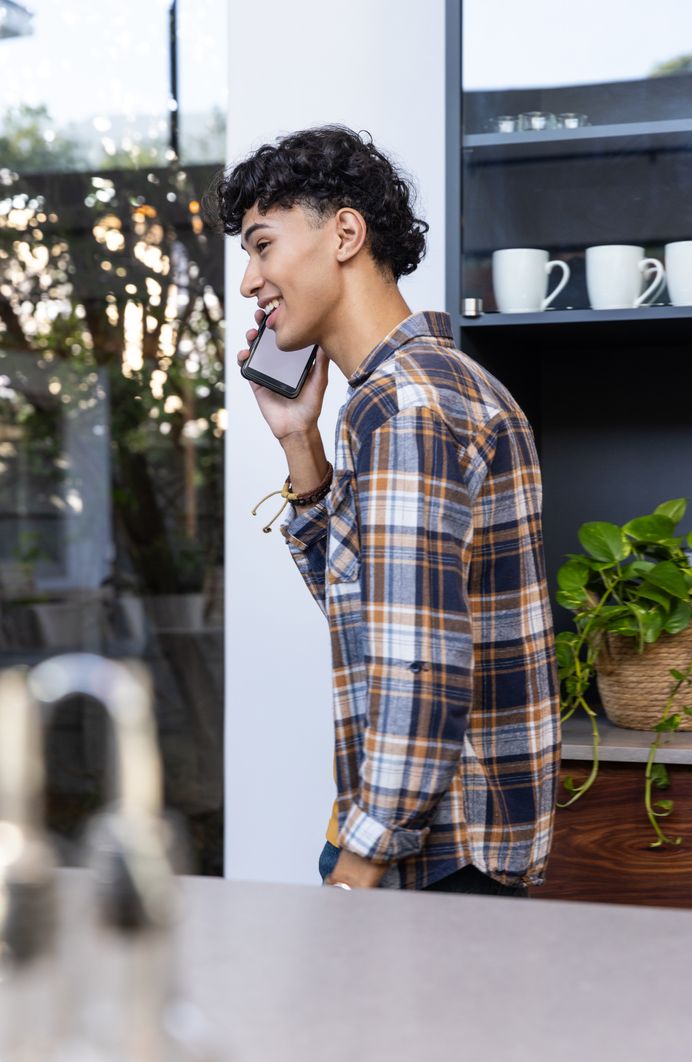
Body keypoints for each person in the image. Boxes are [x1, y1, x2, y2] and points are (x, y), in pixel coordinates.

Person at [208, 125, 560, 895]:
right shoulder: (436, 388)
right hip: (453, 846)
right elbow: (365, 606)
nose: (249, 281)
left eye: (262, 245)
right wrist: (301, 441)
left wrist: (360, 859)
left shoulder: (406, 407)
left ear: (344, 233)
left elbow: (419, 663)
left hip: (429, 858)